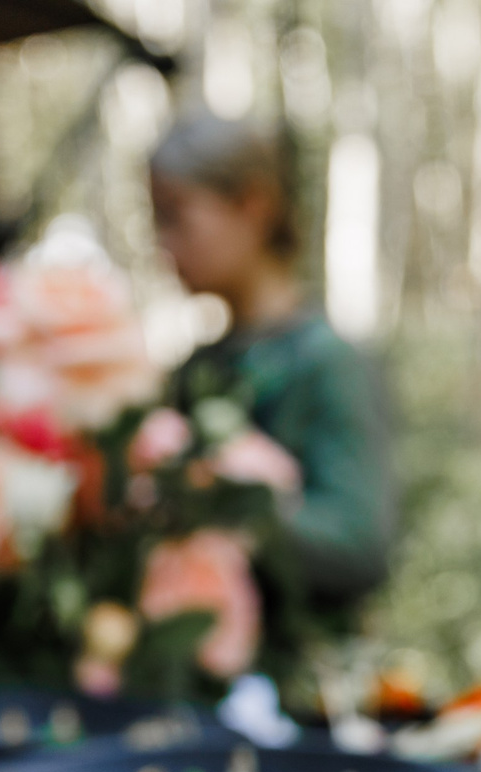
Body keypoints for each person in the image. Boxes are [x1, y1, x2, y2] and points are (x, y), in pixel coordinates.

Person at [149, 112, 392, 627]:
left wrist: (226, 509)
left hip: (305, 685)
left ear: (252, 206)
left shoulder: (327, 361)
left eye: (176, 216)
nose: (163, 244)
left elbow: (359, 545)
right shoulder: (195, 370)